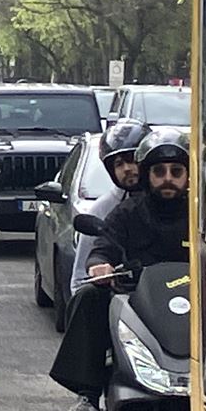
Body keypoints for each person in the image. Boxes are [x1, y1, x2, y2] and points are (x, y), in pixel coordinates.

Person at [49, 128, 191, 411]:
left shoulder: (202, 214)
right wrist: (100, 265)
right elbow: (104, 245)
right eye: (159, 171)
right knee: (89, 297)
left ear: (188, 175)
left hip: (196, 301)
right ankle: (88, 399)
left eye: (176, 171)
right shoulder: (127, 212)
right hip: (139, 303)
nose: (168, 178)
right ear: (147, 175)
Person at [70, 119, 151, 294]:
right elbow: (79, 281)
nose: (127, 168)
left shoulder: (181, 202)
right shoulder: (103, 211)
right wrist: (99, 268)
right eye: (119, 164)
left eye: (132, 160)